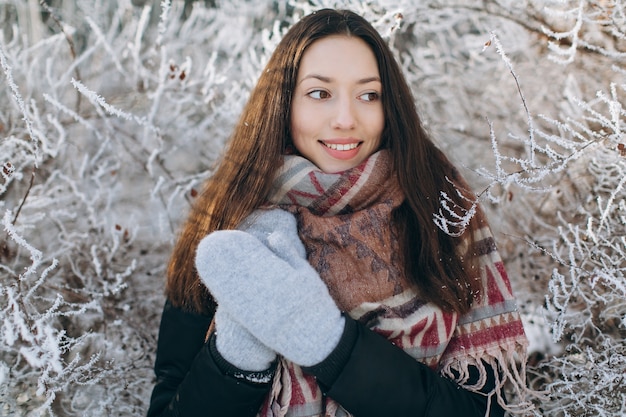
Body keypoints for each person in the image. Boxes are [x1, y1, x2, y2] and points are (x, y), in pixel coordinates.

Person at [147, 8, 535, 417]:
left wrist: (326, 342)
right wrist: (239, 354)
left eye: (369, 95)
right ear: (283, 104)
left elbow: (485, 409)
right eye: (320, 93)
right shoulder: (232, 222)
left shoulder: (438, 207)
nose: (347, 119)